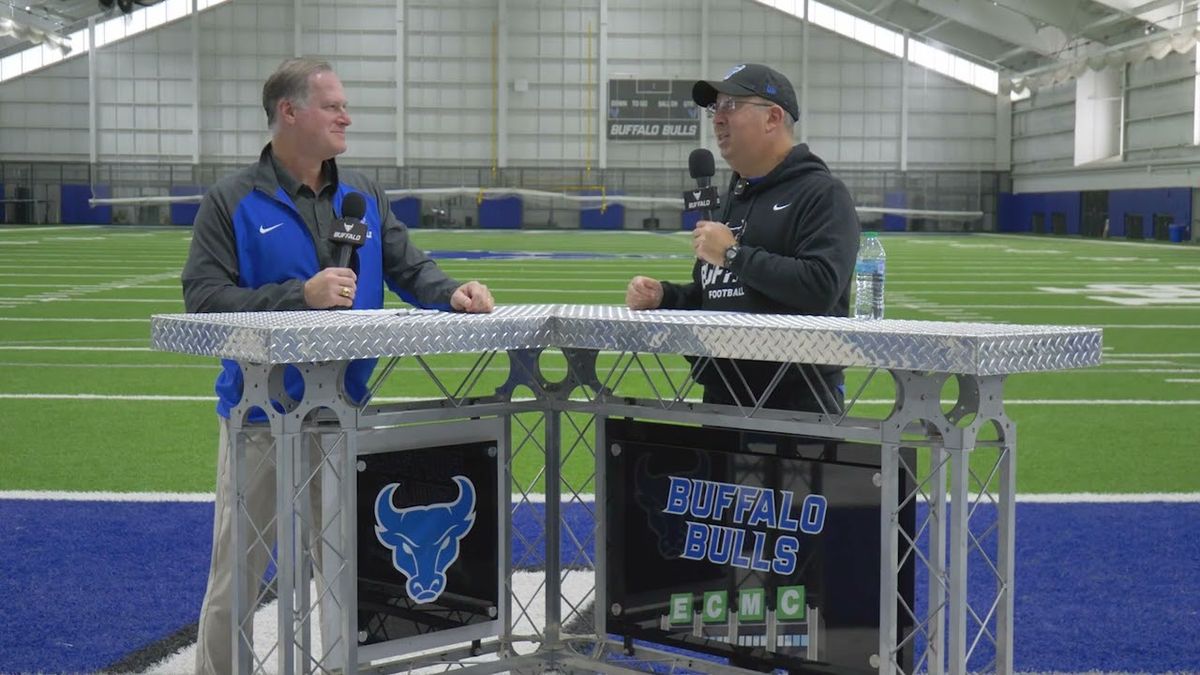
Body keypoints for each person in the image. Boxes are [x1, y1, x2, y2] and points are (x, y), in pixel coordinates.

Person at [181, 57, 494, 673]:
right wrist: (300, 294)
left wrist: (452, 291)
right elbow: (203, 297)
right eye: (333, 105)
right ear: (288, 112)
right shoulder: (232, 200)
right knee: (238, 574)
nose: (346, 115)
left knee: (347, 572)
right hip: (258, 419)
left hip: (342, 416)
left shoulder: (363, 195)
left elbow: (408, 267)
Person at [625, 63, 859, 413]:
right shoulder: (733, 201)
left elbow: (820, 286)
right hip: (721, 399)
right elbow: (716, 297)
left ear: (773, 117)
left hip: (795, 408)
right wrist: (665, 296)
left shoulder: (822, 194)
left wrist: (734, 255)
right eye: (714, 109)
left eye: (730, 106)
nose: (718, 119)